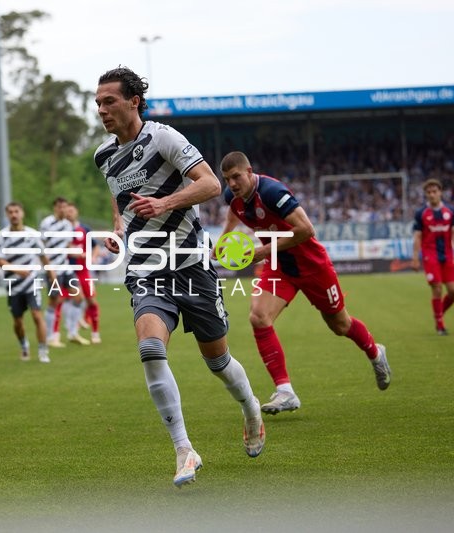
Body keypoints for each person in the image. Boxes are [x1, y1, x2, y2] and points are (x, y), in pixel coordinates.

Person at [94, 67, 265, 487]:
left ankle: (251, 409)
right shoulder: (102, 155)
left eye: (109, 101)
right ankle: (184, 449)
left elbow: (209, 185)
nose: (101, 110)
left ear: (134, 101)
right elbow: (121, 201)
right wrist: (119, 231)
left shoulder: (165, 138)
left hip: (192, 266)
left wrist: (164, 202)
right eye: (97, 103)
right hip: (147, 269)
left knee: (218, 362)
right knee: (151, 349)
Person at [217, 151, 391, 415]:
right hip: (279, 266)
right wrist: (223, 241)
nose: (232, 184)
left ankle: (375, 353)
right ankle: (285, 391)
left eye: (237, 177)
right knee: (258, 316)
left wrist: (263, 252)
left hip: (311, 265)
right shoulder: (234, 197)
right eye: (227, 179)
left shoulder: (273, 192)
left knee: (339, 325)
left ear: (250, 171)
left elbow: (307, 230)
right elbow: (232, 215)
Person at [0, 202, 53, 363]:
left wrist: (51, 274)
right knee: (18, 321)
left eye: (16, 211)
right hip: (13, 285)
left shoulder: (32, 234)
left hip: (32, 282)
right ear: (7, 215)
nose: (14, 215)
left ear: (22, 213)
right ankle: (24, 345)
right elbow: (0, 260)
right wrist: (17, 270)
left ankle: (43, 350)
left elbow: (43, 256)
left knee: (36, 315)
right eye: (10, 212)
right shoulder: (2, 235)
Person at [411, 178, 454, 335]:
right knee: (438, 289)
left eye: (434, 191)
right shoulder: (421, 213)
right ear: (426, 195)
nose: (432, 195)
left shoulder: (449, 212)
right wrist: (415, 258)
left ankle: (439, 312)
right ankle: (439, 324)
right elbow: (417, 237)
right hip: (430, 256)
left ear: (440, 192)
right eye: (429, 192)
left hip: (448, 256)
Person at [38, 197, 79, 347]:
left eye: (65, 207)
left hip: (66, 267)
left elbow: (67, 245)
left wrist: (78, 253)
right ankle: (51, 336)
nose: (63, 210)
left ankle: (73, 332)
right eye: (60, 207)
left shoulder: (68, 225)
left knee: (78, 296)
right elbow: (41, 248)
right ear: (55, 208)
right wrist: (49, 269)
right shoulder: (47, 223)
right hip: (53, 268)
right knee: (54, 302)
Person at [67, 202, 101, 344]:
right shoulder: (61, 230)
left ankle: (95, 332)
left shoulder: (84, 229)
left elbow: (95, 246)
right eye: (66, 210)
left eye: (71, 210)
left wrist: (92, 257)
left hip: (84, 271)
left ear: (76, 212)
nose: (69, 213)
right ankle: (71, 329)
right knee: (71, 299)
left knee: (91, 301)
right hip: (68, 271)